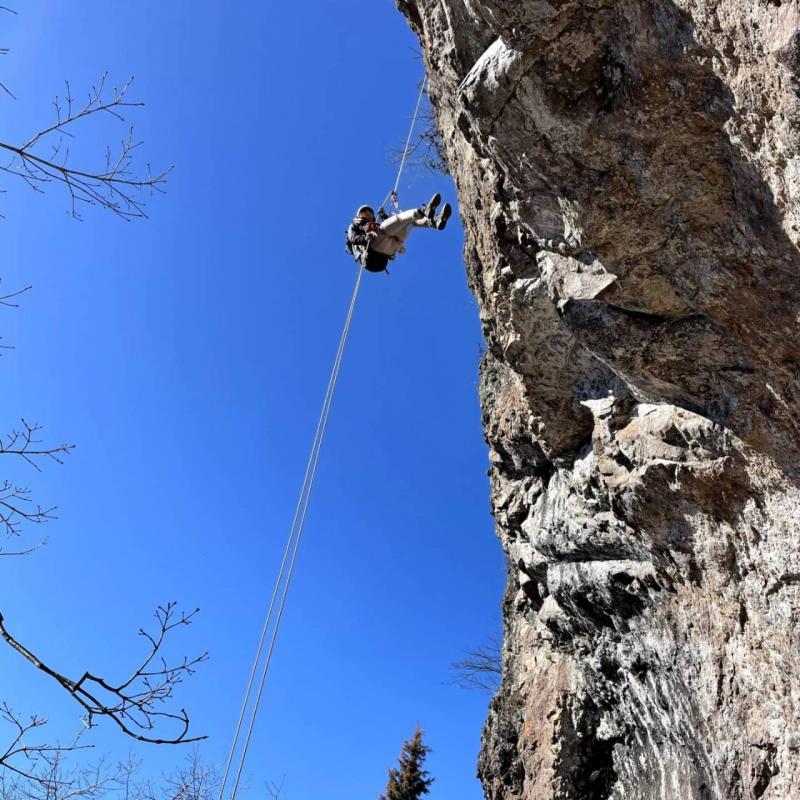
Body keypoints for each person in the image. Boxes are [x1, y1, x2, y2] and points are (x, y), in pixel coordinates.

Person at [345, 193, 452, 273]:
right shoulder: (354, 225)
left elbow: (393, 226)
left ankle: (433, 222)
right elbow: (353, 239)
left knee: (410, 222)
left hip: (389, 249)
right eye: (365, 213)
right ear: (358, 215)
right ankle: (423, 211)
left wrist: (384, 216)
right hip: (373, 253)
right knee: (394, 223)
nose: (368, 215)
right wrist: (365, 238)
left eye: (370, 214)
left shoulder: (374, 225)